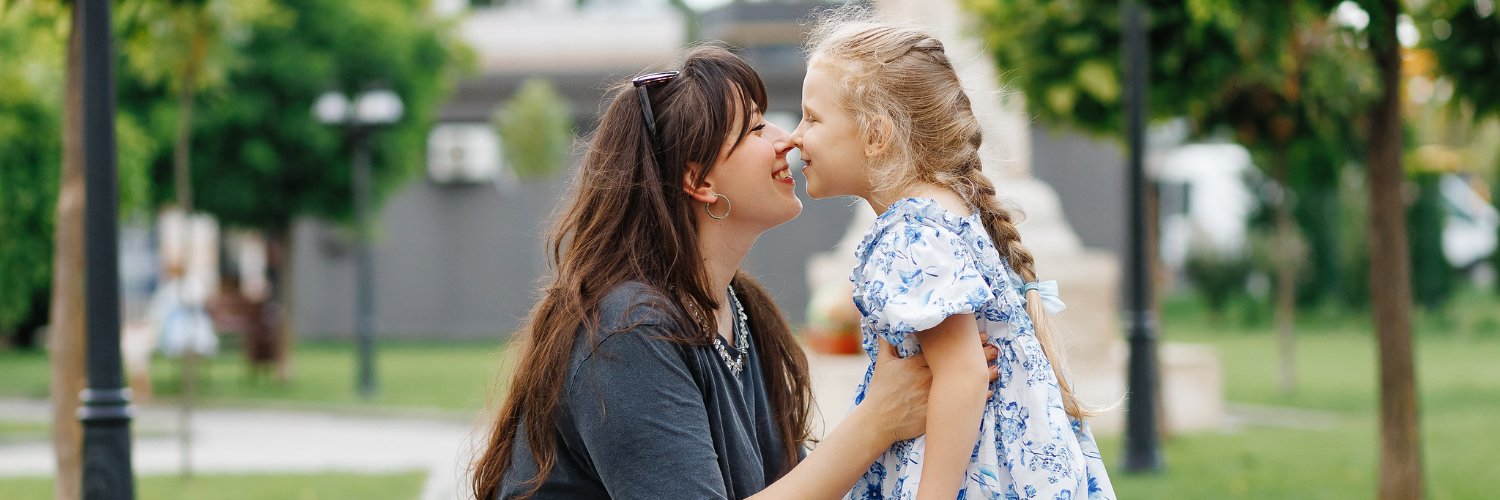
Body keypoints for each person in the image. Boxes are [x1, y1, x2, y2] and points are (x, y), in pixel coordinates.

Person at [468, 45, 998, 500]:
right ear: (699, 181)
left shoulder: (742, 312)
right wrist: (877, 421)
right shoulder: (629, 332)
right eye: (755, 128)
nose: (786, 140)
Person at [788, 16, 1117, 500]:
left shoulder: (911, 231)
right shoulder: (944, 213)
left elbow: (963, 374)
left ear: (876, 136)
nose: (796, 136)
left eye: (812, 118)